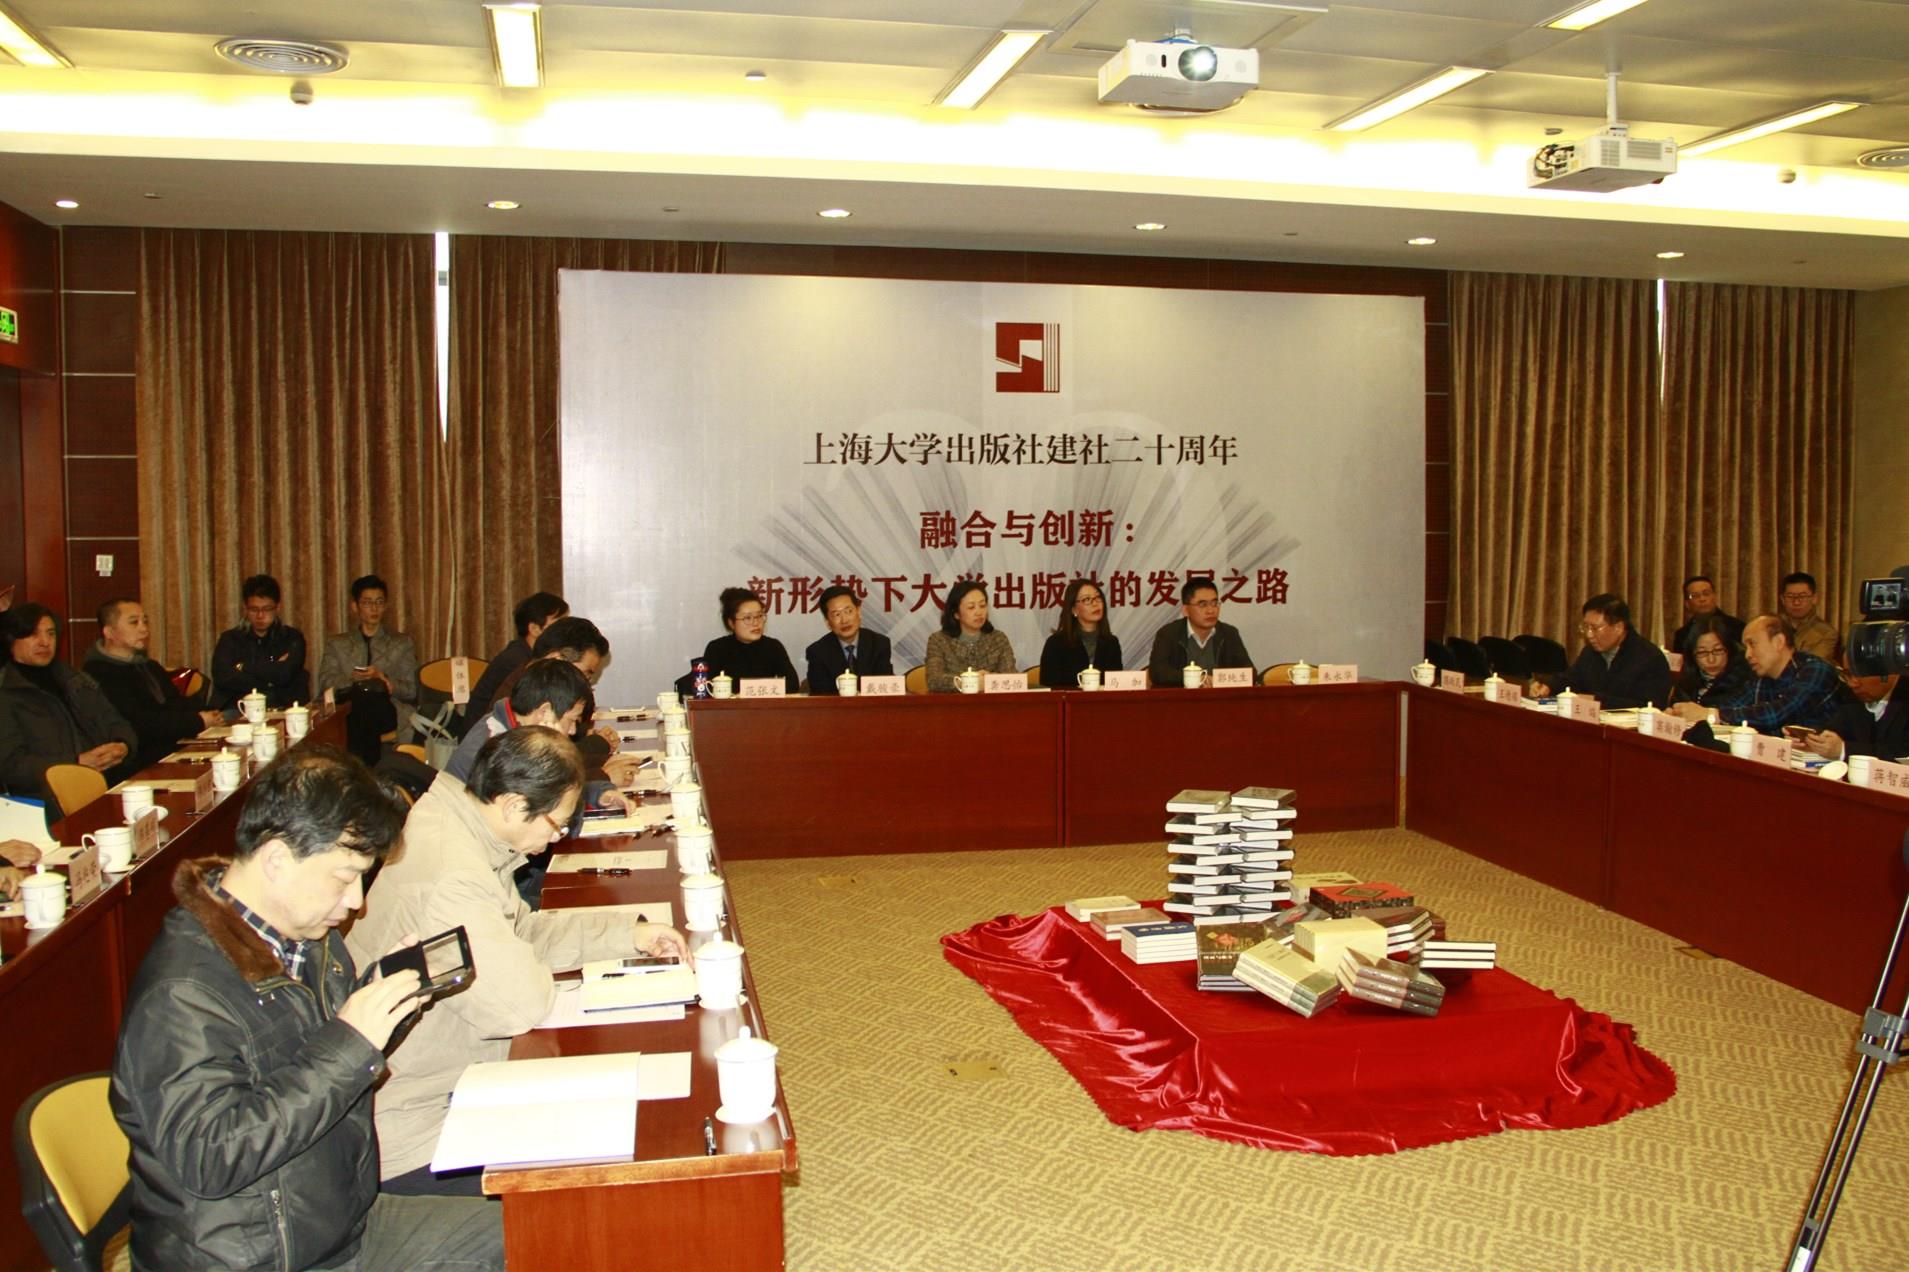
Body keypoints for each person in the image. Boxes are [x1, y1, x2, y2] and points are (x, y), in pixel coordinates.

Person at [110, 746, 503, 1271]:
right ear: (277, 860)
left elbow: (312, 1053)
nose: (356, 901)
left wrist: (381, 1004)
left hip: (339, 1223)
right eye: (344, 878)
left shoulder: (306, 937)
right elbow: (210, 1157)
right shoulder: (181, 994)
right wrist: (352, 1044)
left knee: (540, 1230)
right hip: (258, 1257)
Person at [346, 726, 689, 1194]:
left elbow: (521, 932)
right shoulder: (452, 872)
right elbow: (519, 1005)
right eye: (556, 823)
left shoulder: (466, 829)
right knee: (627, 1162)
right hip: (419, 1127)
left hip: (456, 1080)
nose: (558, 836)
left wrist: (628, 933)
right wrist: (523, 963)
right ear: (512, 805)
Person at [0, 603, 138, 816]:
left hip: (106, 787)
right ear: (12, 639)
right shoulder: (7, 693)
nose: (45, 642)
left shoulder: (75, 680)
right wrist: (76, 763)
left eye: (51, 634)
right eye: (33, 635)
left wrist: (122, 745)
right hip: (47, 804)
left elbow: (117, 722)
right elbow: (11, 766)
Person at [84, 597, 223, 769]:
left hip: (169, 747)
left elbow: (174, 703)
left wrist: (208, 712)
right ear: (109, 632)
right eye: (134, 622)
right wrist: (198, 721)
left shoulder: (148, 666)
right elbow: (140, 724)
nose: (144, 629)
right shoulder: (97, 673)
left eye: (145, 621)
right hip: (136, 761)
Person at [1671, 614, 1844, 734]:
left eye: (1752, 644)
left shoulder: (1815, 670)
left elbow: (1777, 713)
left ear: (1778, 642)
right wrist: (1682, 713)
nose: (1747, 654)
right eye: (1746, 647)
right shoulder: (1762, 677)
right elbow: (1733, 706)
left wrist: (1710, 715)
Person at [317, 575, 422, 767]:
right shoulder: (337, 644)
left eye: (379, 602)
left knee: (372, 694)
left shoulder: (401, 643)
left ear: (386, 606)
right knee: (361, 695)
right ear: (355, 606)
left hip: (387, 711)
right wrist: (354, 679)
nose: (374, 609)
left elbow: (413, 690)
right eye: (367, 603)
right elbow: (325, 683)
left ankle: (360, 768)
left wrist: (385, 680)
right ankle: (369, 767)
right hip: (349, 710)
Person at [1529, 593, 1671, 709]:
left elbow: (1651, 705)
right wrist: (1548, 686)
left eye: (1595, 628)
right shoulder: (1590, 652)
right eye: (1586, 627)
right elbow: (1571, 678)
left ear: (1619, 627)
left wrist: (1597, 700)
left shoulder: (1649, 658)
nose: (1589, 635)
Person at [459, 590, 567, 734]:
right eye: (559, 624)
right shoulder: (516, 660)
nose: (565, 630)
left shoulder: (527, 653)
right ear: (534, 629)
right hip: (483, 737)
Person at [210, 574, 309, 709]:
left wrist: (243, 666)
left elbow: (285, 674)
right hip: (237, 706)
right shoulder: (230, 639)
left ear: (278, 607)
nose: (260, 616)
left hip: (282, 706)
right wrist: (271, 676)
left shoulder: (292, 638)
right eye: (254, 609)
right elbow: (223, 677)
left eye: (267, 609)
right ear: (245, 608)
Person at [1146, 577, 1254, 688]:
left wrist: (1219, 680)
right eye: (1203, 605)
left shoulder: (1228, 633)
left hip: (1220, 698)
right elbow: (1157, 673)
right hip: (1181, 698)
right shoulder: (1169, 634)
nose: (1211, 610)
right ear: (1186, 610)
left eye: (1214, 603)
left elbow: (1250, 673)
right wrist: (1195, 678)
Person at [1802, 654, 1908, 761]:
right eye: (1847, 674)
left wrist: (1844, 750)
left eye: (1860, 673)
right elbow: (1832, 730)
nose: (1852, 684)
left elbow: (1901, 754)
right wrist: (1806, 738)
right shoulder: (1854, 695)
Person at [700, 587, 799, 694]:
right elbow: (703, 687)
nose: (756, 622)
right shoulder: (717, 649)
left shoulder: (773, 647)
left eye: (759, 616)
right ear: (731, 623)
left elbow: (792, 686)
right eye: (747, 618)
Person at [923, 580, 1016, 692]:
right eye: (971, 607)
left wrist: (990, 680)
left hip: (993, 702)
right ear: (956, 614)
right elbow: (934, 681)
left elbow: (1012, 677)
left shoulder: (998, 639)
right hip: (953, 702)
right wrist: (970, 682)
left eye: (982, 605)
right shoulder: (939, 640)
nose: (979, 612)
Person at [805, 585, 893, 693]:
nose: (844, 620)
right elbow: (821, 695)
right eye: (837, 614)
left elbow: (885, 688)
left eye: (848, 611)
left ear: (858, 611)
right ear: (827, 622)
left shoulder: (879, 644)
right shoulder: (817, 652)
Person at [1040, 578, 1124, 689]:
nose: (1095, 603)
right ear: (1074, 609)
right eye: (1087, 599)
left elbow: (1116, 685)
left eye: (1098, 597)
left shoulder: (1111, 643)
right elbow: (1048, 686)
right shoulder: (1056, 644)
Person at [1666, 614, 1753, 711]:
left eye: (1718, 650)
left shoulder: (1744, 680)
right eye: (1702, 652)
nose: (1711, 660)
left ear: (1729, 650)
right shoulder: (1686, 679)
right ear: (1692, 655)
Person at [1668, 575, 1744, 654]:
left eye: (1706, 593)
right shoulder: (1682, 635)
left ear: (1715, 597)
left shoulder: (1736, 627)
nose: (1702, 599)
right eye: (1695, 596)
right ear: (1687, 603)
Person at [1779, 571, 1839, 662]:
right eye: (1790, 596)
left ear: (1814, 598)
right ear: (1782, 599)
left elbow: (1814, 663)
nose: (1796, 602)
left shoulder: (1826, 633)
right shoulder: (1771, 627)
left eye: (1802, 596)